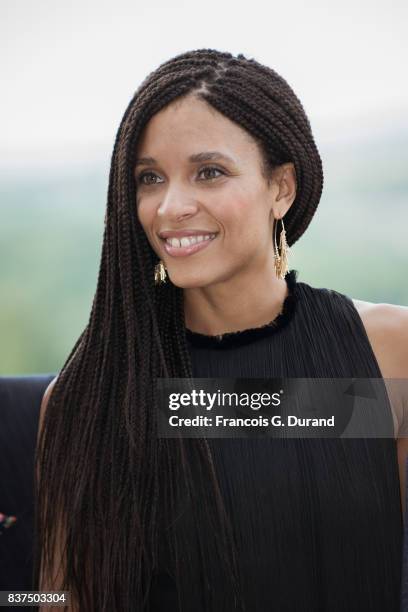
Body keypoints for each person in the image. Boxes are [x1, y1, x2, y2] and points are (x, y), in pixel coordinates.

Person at [35, 48, 408, 612]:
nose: (169, 206)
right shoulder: (87, 398)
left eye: (209, 172)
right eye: (149, 178)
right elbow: (56, 598)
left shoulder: (389, 354)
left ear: (281, 188)